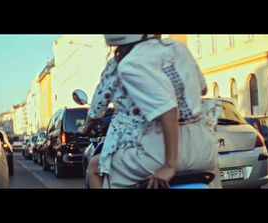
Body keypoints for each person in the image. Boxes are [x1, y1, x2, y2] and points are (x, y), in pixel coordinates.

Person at [79, 34, 221, 188]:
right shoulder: (177, 47)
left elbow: (168, 109)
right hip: (201, 145)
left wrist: (169, 165)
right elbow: (203, 88)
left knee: (96, 168)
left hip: (159, 151)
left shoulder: (127, 64)